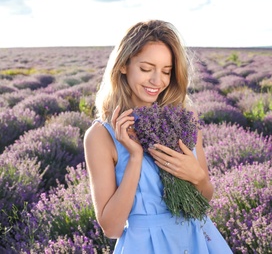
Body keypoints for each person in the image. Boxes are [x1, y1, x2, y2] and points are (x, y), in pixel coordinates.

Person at [84, 19, 232, 253]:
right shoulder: (101, 136)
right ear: (123, 65)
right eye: (146, 69)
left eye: (166, 71)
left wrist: (199, 177)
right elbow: (111, 228)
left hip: (197, 239)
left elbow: (203, 201)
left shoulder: (186, 117)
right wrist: (135, 157)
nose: (157, 80)